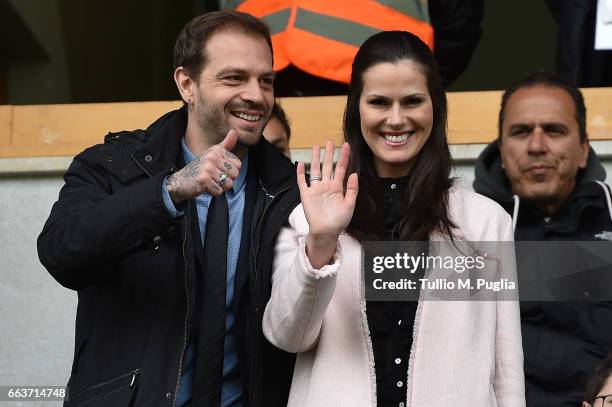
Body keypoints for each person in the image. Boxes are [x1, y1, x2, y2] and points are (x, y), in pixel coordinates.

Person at [37, 11, 299, 407]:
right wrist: (170, 190)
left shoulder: (289, 189)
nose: (257, 95)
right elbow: (62, 251)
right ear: (186, 84)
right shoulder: (114, 167)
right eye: (234, 78)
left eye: (266, 80)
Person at [262, 30, 525, 406]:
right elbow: (286, 336)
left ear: (435, 105)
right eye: (379, 102)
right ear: (357, 108)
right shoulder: (312, 215)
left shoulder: (487, 222)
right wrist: (320, 242)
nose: (396, 119)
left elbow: (506, 370)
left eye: (413, 101)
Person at [473, 72, 612, 406]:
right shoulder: (464, 230)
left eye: (554, 130)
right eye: (521, 132)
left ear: (582, 150)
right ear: (502, 152)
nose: (537, 146)